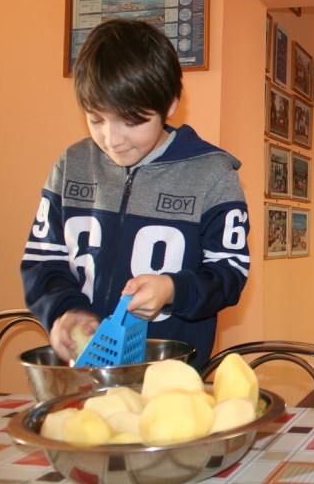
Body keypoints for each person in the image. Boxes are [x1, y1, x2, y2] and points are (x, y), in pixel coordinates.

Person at [21, 19, 250, 369]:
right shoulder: (71, 164)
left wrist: (174, 290)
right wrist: (64, 310)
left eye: (132, 121)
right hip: (85, 372)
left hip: (172, 376)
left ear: (170, 104)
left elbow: (229, 273)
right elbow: (43, 261)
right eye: (96, 119)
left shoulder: (212, 174)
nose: (113, 139)